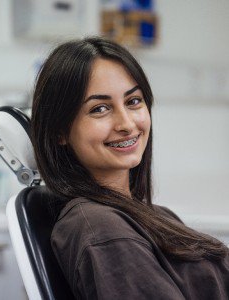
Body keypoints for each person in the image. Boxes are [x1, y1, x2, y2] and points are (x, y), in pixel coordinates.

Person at [31, 37, 229, 299]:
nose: (126, 123)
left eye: (133, 101)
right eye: (100, 109)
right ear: (60, 131)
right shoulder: (102, 230)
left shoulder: (153, 215)